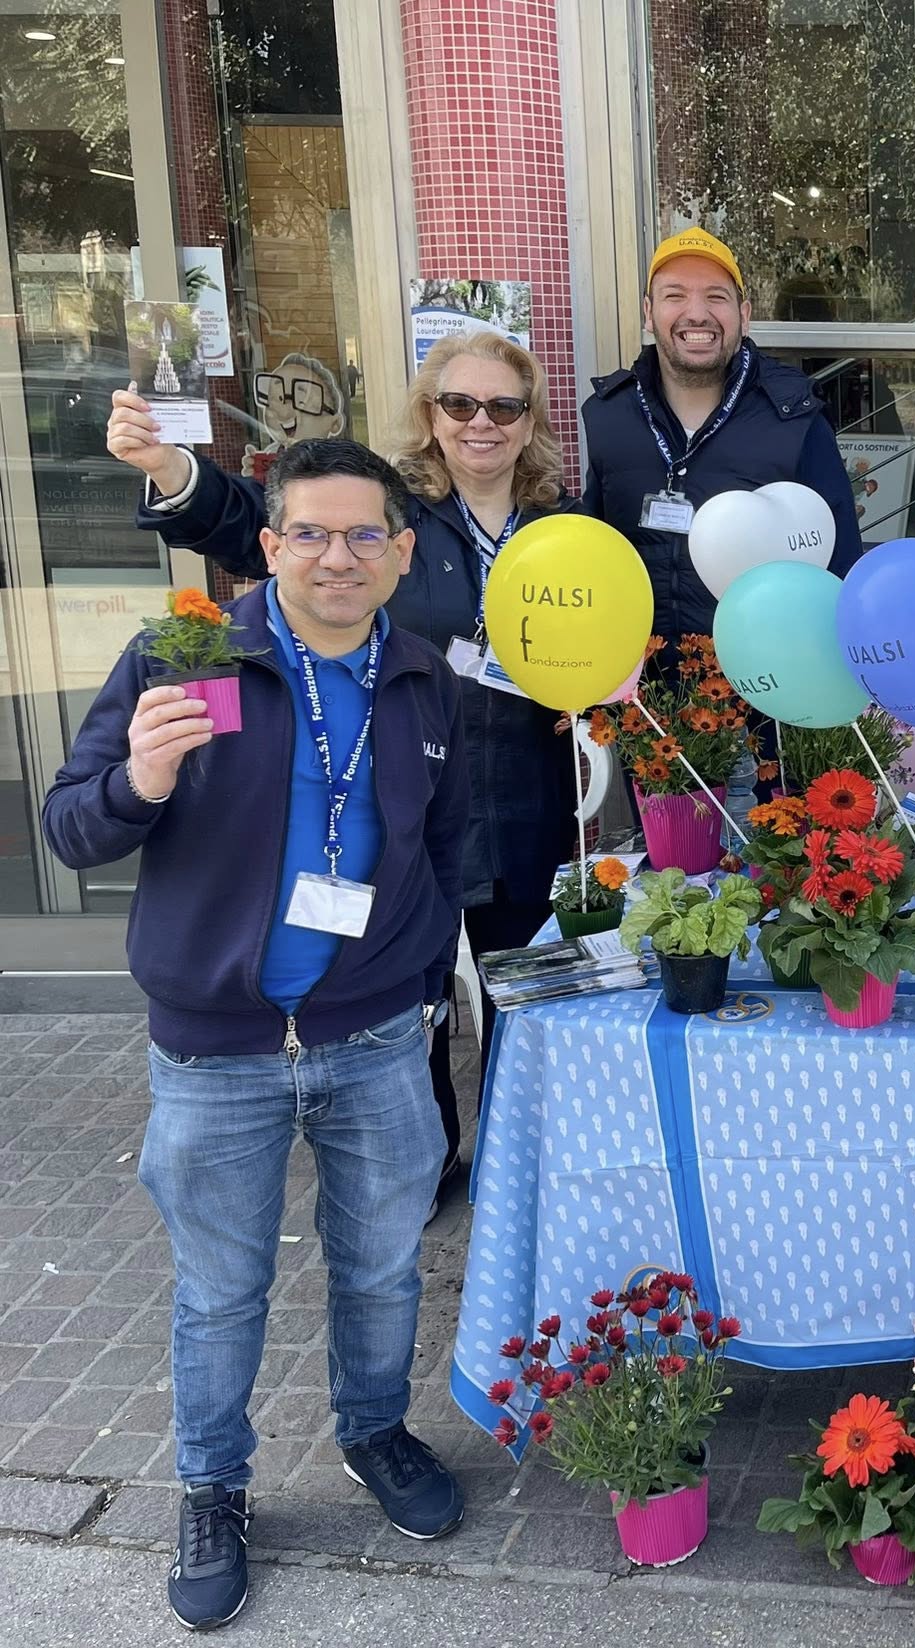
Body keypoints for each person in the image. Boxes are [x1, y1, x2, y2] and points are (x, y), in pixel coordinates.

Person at [42, 439, 471, 1631]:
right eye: (313, 534)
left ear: (398, 554)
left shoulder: (424, 678)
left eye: (364, 536)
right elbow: (73, 829)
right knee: (222, 1290)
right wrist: (136, 779)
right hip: (215, 1049)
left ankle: (374, 1431)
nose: (340, 556)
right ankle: (213, 1488)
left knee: (382, 1267)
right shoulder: (187, 653)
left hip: (379, 1038)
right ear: (270, 545)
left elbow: (446, 844)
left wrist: (424, 982)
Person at [106, 330, 576, 1222]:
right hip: (399, 780)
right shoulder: (386, 515)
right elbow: (260, 525)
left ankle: (525, 1163)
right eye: (460, 404)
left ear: (530, 422)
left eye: (504, 407)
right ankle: (426, 1158)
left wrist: (596, 702)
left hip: (526, 787)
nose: (482, 423)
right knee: (413, 984)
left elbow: (603, 628)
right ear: (430, 415)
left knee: (524, 989)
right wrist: (174, 470)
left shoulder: (561, 524)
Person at [579, 226, 864, 644]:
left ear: (743, 315)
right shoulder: (609, 416)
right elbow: (594, 557)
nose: (697, 314)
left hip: (762, 692)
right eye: (674, 295)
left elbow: (839, 568)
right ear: (648, 311)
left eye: (716, 296)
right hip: (636, 693)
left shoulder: (795, 419)